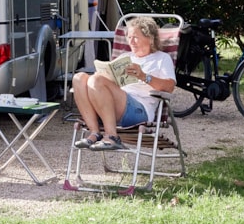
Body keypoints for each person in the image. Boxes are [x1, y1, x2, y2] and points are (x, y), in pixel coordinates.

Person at [72, 16, 175, 150]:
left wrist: (144, 76)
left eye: (135, 37)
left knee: (96, 80)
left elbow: (170, 87)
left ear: (150, 39)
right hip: (112, 106)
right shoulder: (124, 58)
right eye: (129, 37)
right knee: (79, 78)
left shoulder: (161, 58)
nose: (131, 41)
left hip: (139, 110)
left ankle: (112, 136)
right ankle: (95, 133)